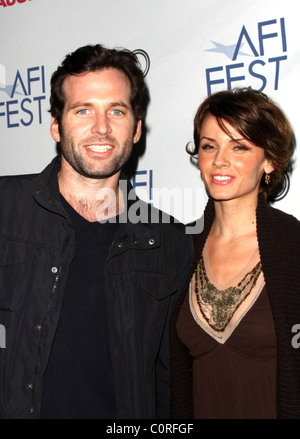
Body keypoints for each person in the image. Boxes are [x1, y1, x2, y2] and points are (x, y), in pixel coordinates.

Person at [0, 44, 193, 419]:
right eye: (83, 109)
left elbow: (170, 383)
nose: (101, 127)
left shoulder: (169, 242)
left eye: (116, 110)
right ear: (56, 124)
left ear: (137, 129)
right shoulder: (4, 209)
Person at [170, 88, 300, 419]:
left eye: (239, 146)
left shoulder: (294, 247)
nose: (219, 160)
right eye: (209, 146)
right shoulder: (178, 247)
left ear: (269, 161)